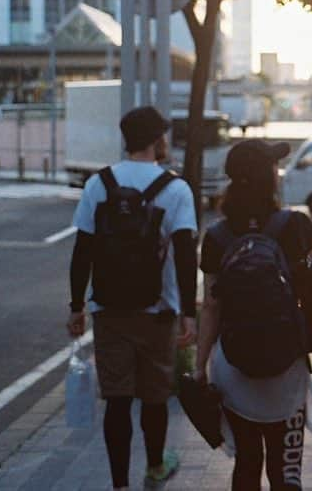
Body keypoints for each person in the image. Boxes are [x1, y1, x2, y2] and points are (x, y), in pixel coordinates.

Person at [67, 105, 199, 490]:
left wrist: (77, 306)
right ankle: (155, 466)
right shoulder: (175, 188)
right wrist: (188, 313)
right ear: (157, 140)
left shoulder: (99, 184)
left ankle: (119, 484)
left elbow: (83, 250)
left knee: (118, 399)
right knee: (154, 396)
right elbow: (187, 253)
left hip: (109, 311)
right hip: (157, 311)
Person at [195, 139, 312, 491]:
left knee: (247, 462)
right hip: (287, 366)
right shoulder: (297, 226)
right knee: (285, 467)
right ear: (270, 176)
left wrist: (199, 365)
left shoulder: (217, 237)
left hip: (234, 366)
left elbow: (211, 306)